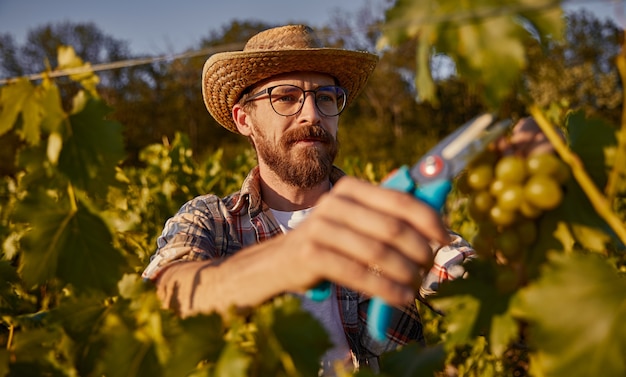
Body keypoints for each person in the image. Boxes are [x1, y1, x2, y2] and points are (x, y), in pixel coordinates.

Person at [142, 25, 552, 375]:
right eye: (285, 96)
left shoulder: (385, 217)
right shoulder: (211, 220)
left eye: (325, 97)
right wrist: (287, 259)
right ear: (244, 119)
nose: (311, 114)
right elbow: (163, 300)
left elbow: (494, 297)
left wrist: (526, 213)